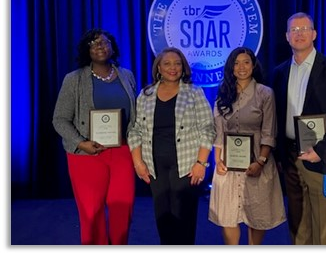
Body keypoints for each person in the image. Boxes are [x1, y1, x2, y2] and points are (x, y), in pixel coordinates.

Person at [272, 12, 326, 245]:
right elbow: (276, 117)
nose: (299, 34)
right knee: (297, 223)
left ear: (314, 34)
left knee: (323, 226)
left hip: (322, 158)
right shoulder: (279, 73)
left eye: (304, 29)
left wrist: (321, 149)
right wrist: (279, 155)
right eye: (294, 30)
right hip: (290, 157)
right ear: (287, 36)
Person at [52, 28, 137, 244]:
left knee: (123, 210)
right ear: (86, 50)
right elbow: (60, 119)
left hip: (122, 152)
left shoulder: (126, 76)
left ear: (113, 47)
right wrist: (81, 142)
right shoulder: (74, 79)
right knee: (91, 214)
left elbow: (135, 116)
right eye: (93, 43)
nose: (100, 47)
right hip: (86, 155)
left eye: (104, 42)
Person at [127, 47, 215, 245]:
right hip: (155, 166)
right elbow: (135, 130)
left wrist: (201, 163)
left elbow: (208, 129)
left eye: (177, 63)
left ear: (183, 67)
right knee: (163, 217)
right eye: (167, 63)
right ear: (158, 67)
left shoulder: (194, 92)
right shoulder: (146, 95)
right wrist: (138, 162)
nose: (172, 68)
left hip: (186, 165)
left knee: (183, 216)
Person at [208, 47, 286, 245]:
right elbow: (217, 129)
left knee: (256, 215)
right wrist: (217, 160)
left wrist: (260, 161)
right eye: (236, 63)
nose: (241, 67)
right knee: (228, 215)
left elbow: (269, 131)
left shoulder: (265, 93)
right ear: (230, 67)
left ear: (253, 65)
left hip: (257, 161)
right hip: (227, 163)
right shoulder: (223, 92)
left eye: (246, 62)